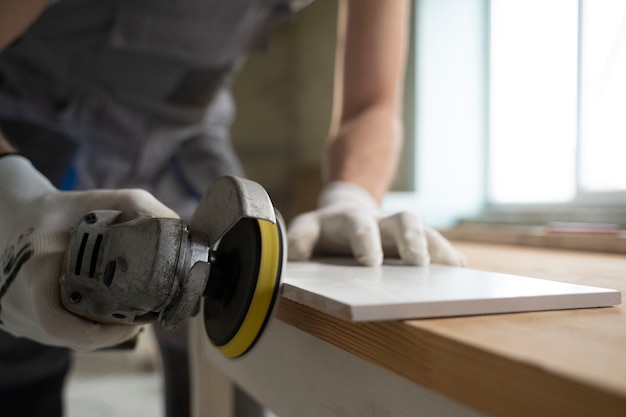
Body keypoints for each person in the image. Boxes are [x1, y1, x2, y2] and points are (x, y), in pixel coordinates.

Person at [0, 0, 465, 416]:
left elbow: (372, 104)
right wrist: (11, 193)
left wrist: (351, 194)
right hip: (27, 120)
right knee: (24, 339)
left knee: (236, 339)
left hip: (181, 139)